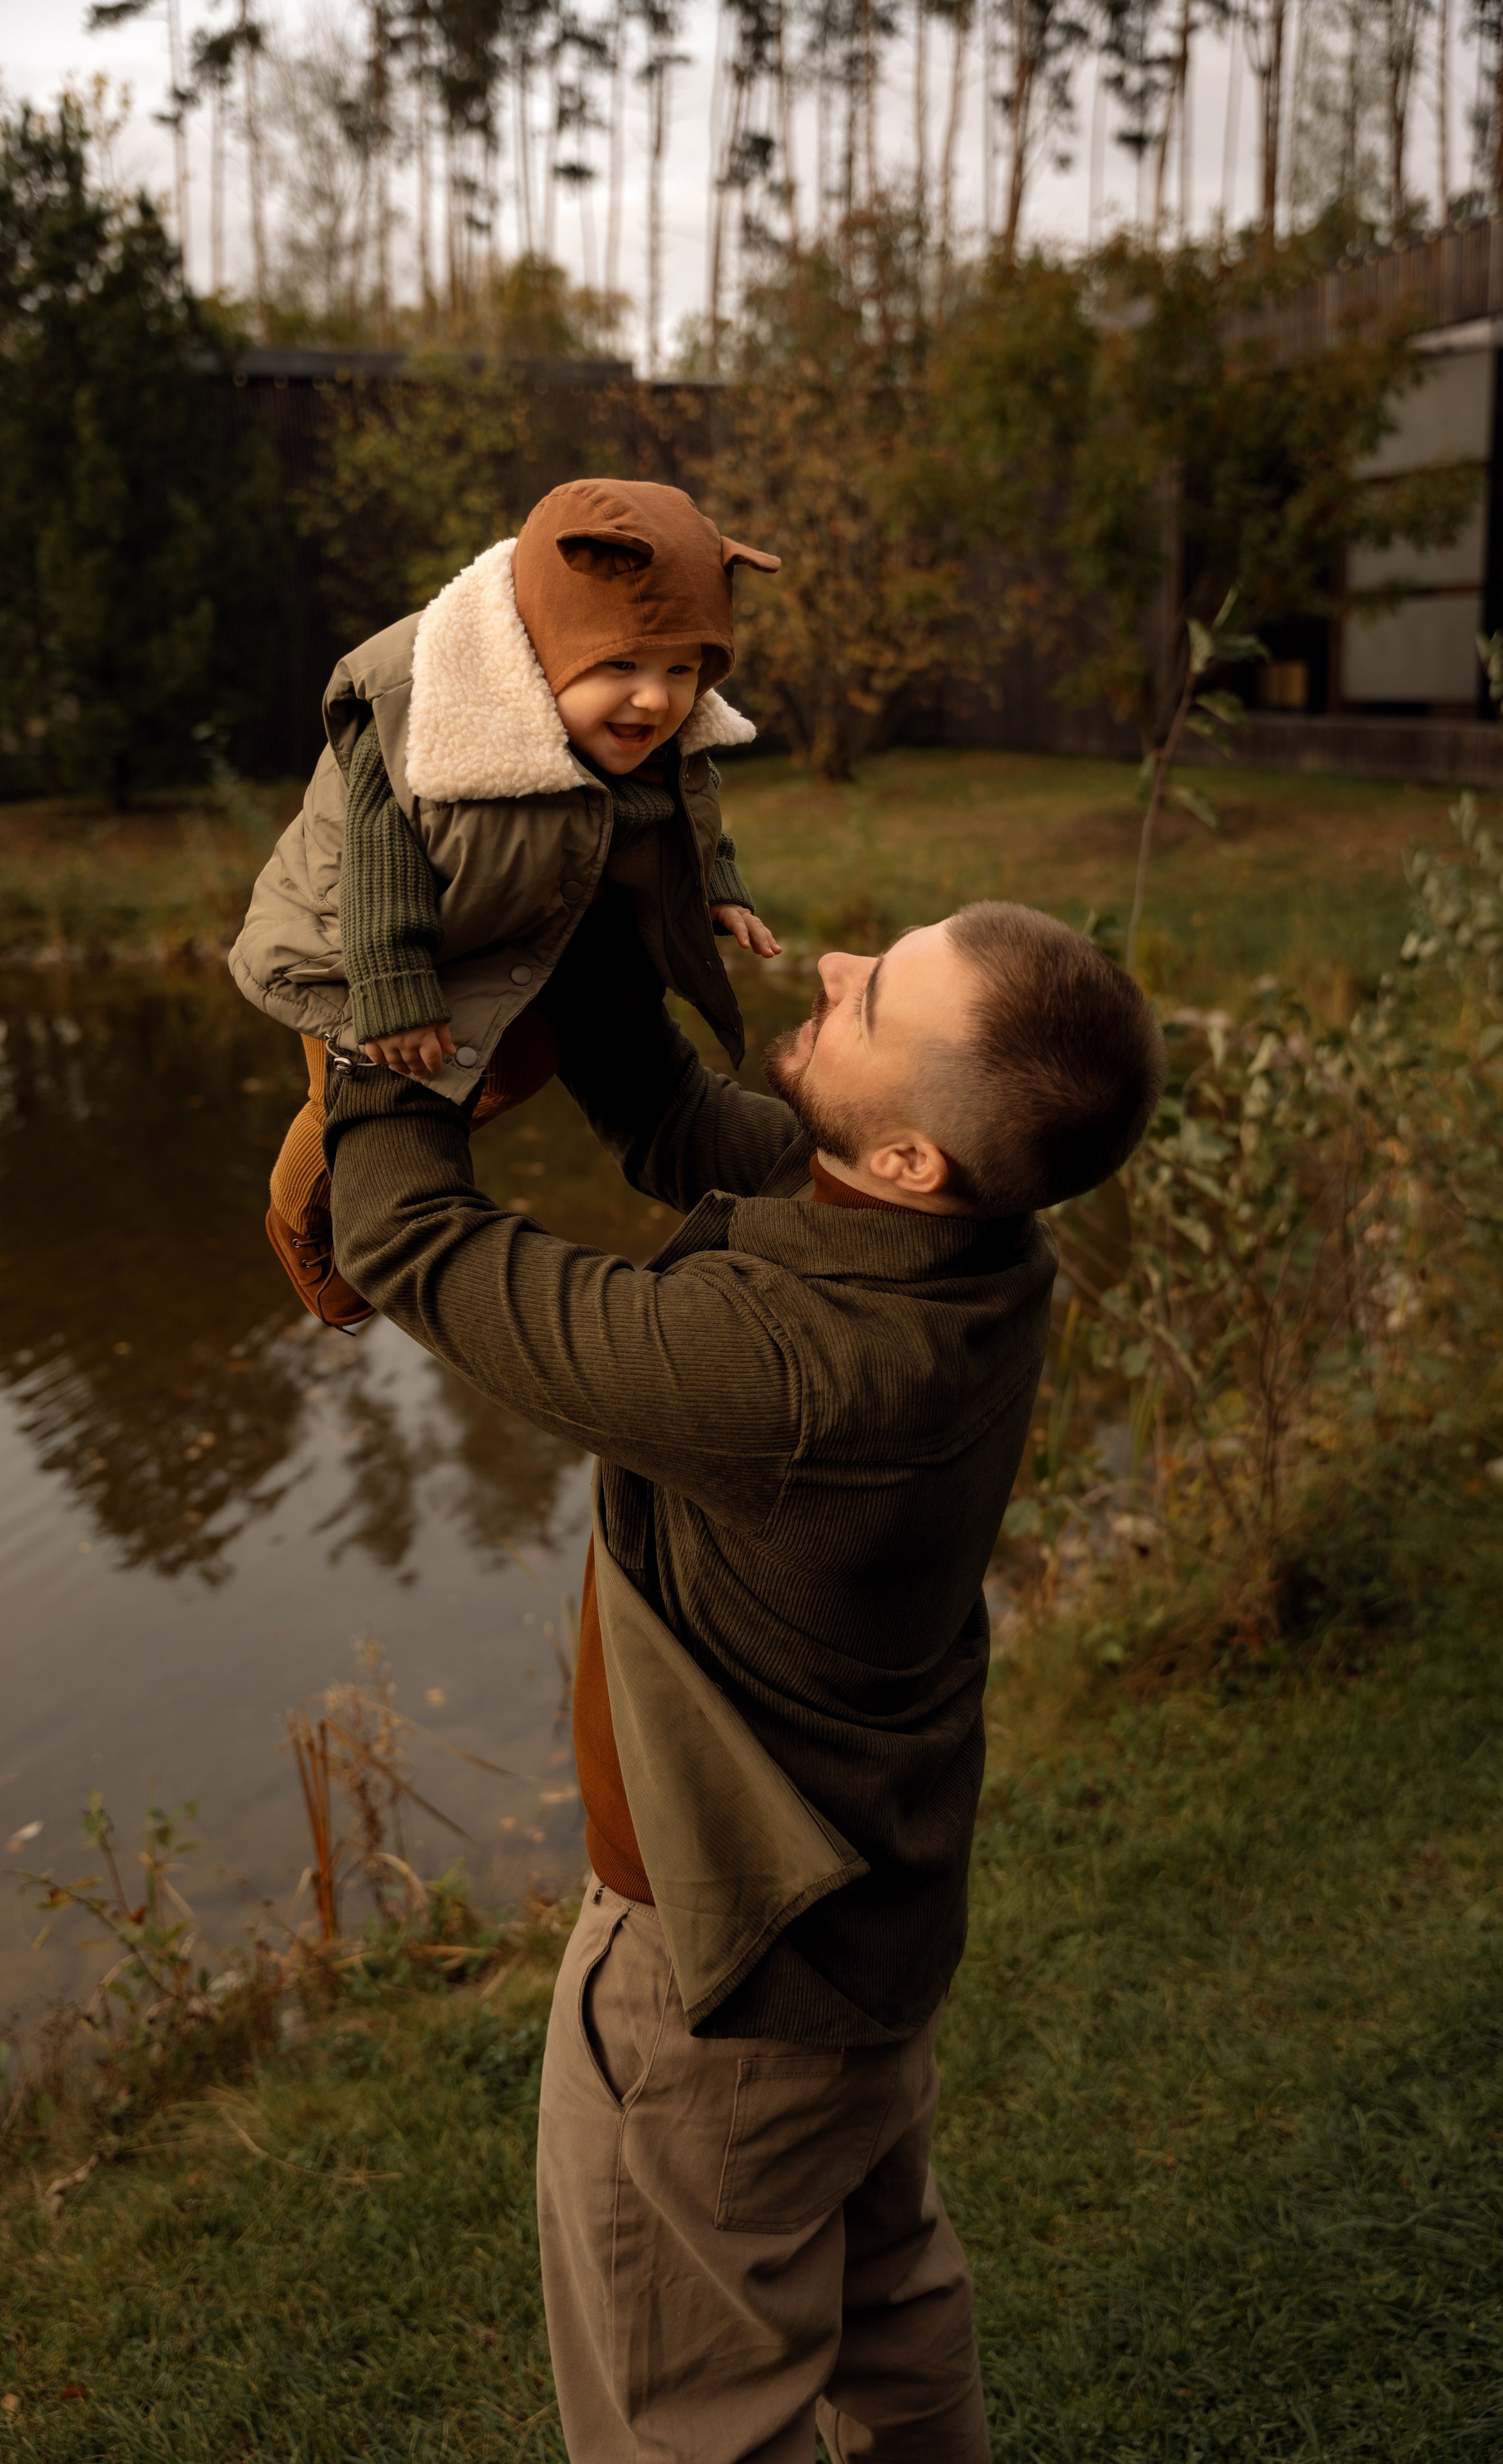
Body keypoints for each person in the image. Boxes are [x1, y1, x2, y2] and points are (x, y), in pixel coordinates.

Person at [320, 886, 1166, 2460]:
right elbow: (665, 1125)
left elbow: (407, 1237)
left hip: (720, 1967)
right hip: (868, 1921)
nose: (837, 963)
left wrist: (377, 1033)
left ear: (910, 1155)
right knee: (887, 2312)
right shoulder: (975, 1237)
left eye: (867, 1001)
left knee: (690, 2412)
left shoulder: (782, 1374)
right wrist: (574, 911)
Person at [229, 477, 783, 1331]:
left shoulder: (653, 730)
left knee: (523, 1060)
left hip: (488, 920)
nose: (656, 698)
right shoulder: (424, 705)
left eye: (682, 671)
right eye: (624, 667)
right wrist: (396, 984)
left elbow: (687, 803)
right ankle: (301, 1211)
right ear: (546, 641)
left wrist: (718, 886)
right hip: (357, 945)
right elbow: (379, 857)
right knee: (375, 1092)